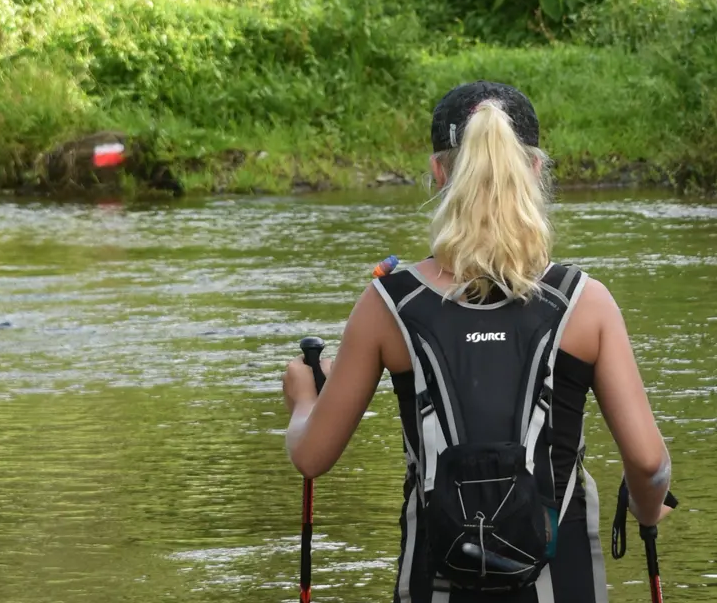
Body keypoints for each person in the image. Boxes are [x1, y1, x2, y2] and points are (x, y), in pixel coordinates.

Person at [283, 81, 673, 603]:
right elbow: (649, 465)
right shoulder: (585, 302)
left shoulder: (388, 304)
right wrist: (647, 511)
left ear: (439, 172)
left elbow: (311, 455)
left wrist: (304, 399)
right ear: (534, 170)